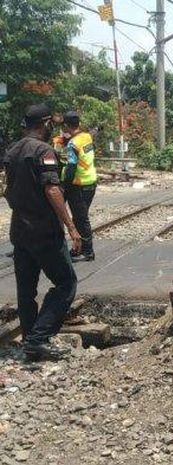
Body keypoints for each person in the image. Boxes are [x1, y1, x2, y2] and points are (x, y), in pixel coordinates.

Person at [3, 103, 80, 361]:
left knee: (27, 291)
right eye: (51, 124)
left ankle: (29, 339)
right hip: (44, 231)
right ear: (46, 123)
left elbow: (8, 191)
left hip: (20, 231)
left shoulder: (12, 151)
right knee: (66, 283)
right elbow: (52, 190)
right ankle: (38, 339)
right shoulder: (43, 150)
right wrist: (70, 226)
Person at [61, 111, 97, 261]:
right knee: (79, 218)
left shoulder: (73, 144)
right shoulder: (86, 137)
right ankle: (79, 248)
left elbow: (71, 166)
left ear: (66, 126)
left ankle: (88, 252)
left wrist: (64, 185)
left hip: (78, 185)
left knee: (81, 219)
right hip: (90, 182)